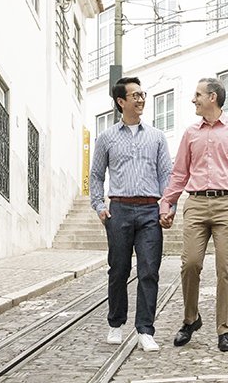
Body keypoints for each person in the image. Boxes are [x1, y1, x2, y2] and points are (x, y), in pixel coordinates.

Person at [160, 76, 228, 353]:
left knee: (227, 270)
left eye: (198, 95)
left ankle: (224, 330)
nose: (194, 99)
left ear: (212, 97)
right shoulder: (190, 133)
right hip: (196, 204)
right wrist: (167, 204)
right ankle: (191, 319)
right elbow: (179, 173)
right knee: (190, 264)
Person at [88, 76, 172, 352]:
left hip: (150, 210)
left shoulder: (157, 137)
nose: (140, 99)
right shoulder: (107, 138)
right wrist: (99, 206)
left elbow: (165, 175)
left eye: (142, 94)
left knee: (149, 270)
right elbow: (97, 175)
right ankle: (115, 324)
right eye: (134, 95)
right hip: (120, 210)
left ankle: (145, 330)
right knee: (119, 270)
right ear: (121, 101)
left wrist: (166, 205)